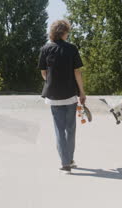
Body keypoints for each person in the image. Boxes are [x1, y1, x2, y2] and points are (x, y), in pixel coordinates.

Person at [38, 19, 86, 174]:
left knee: (59, 129)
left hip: (53, 95)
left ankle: (65, 161)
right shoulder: (72, 49)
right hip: (70, 95)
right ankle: (69, 159)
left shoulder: (45, 49)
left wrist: (52, 82)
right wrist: (82, 92)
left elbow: (43, 73)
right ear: (64, 32)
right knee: (70, 129)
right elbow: (77, 72)